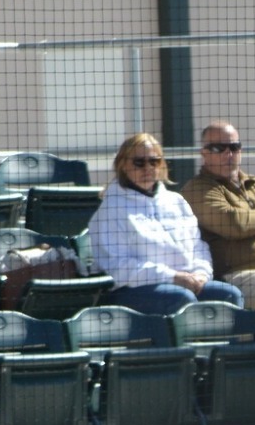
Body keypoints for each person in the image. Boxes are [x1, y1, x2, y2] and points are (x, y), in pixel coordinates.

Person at [88, 133, 244, 315]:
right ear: (123, 165)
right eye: (139, 162)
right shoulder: (111, 209)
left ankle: (225, 344)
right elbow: (117, 267)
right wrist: (172, 277)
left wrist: (201, 275)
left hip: (185, 282)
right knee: (181, 299)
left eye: (154, 161)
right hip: (130, 290)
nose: (147, 168)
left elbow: (198, 247)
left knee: (229, 295)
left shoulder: (176, 201)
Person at [179, 121, 255, 313]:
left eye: (234, 147)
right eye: (218, 148)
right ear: (204, 153)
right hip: (240, 275)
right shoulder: (198, 189)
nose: (228, 154)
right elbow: (233, 224)